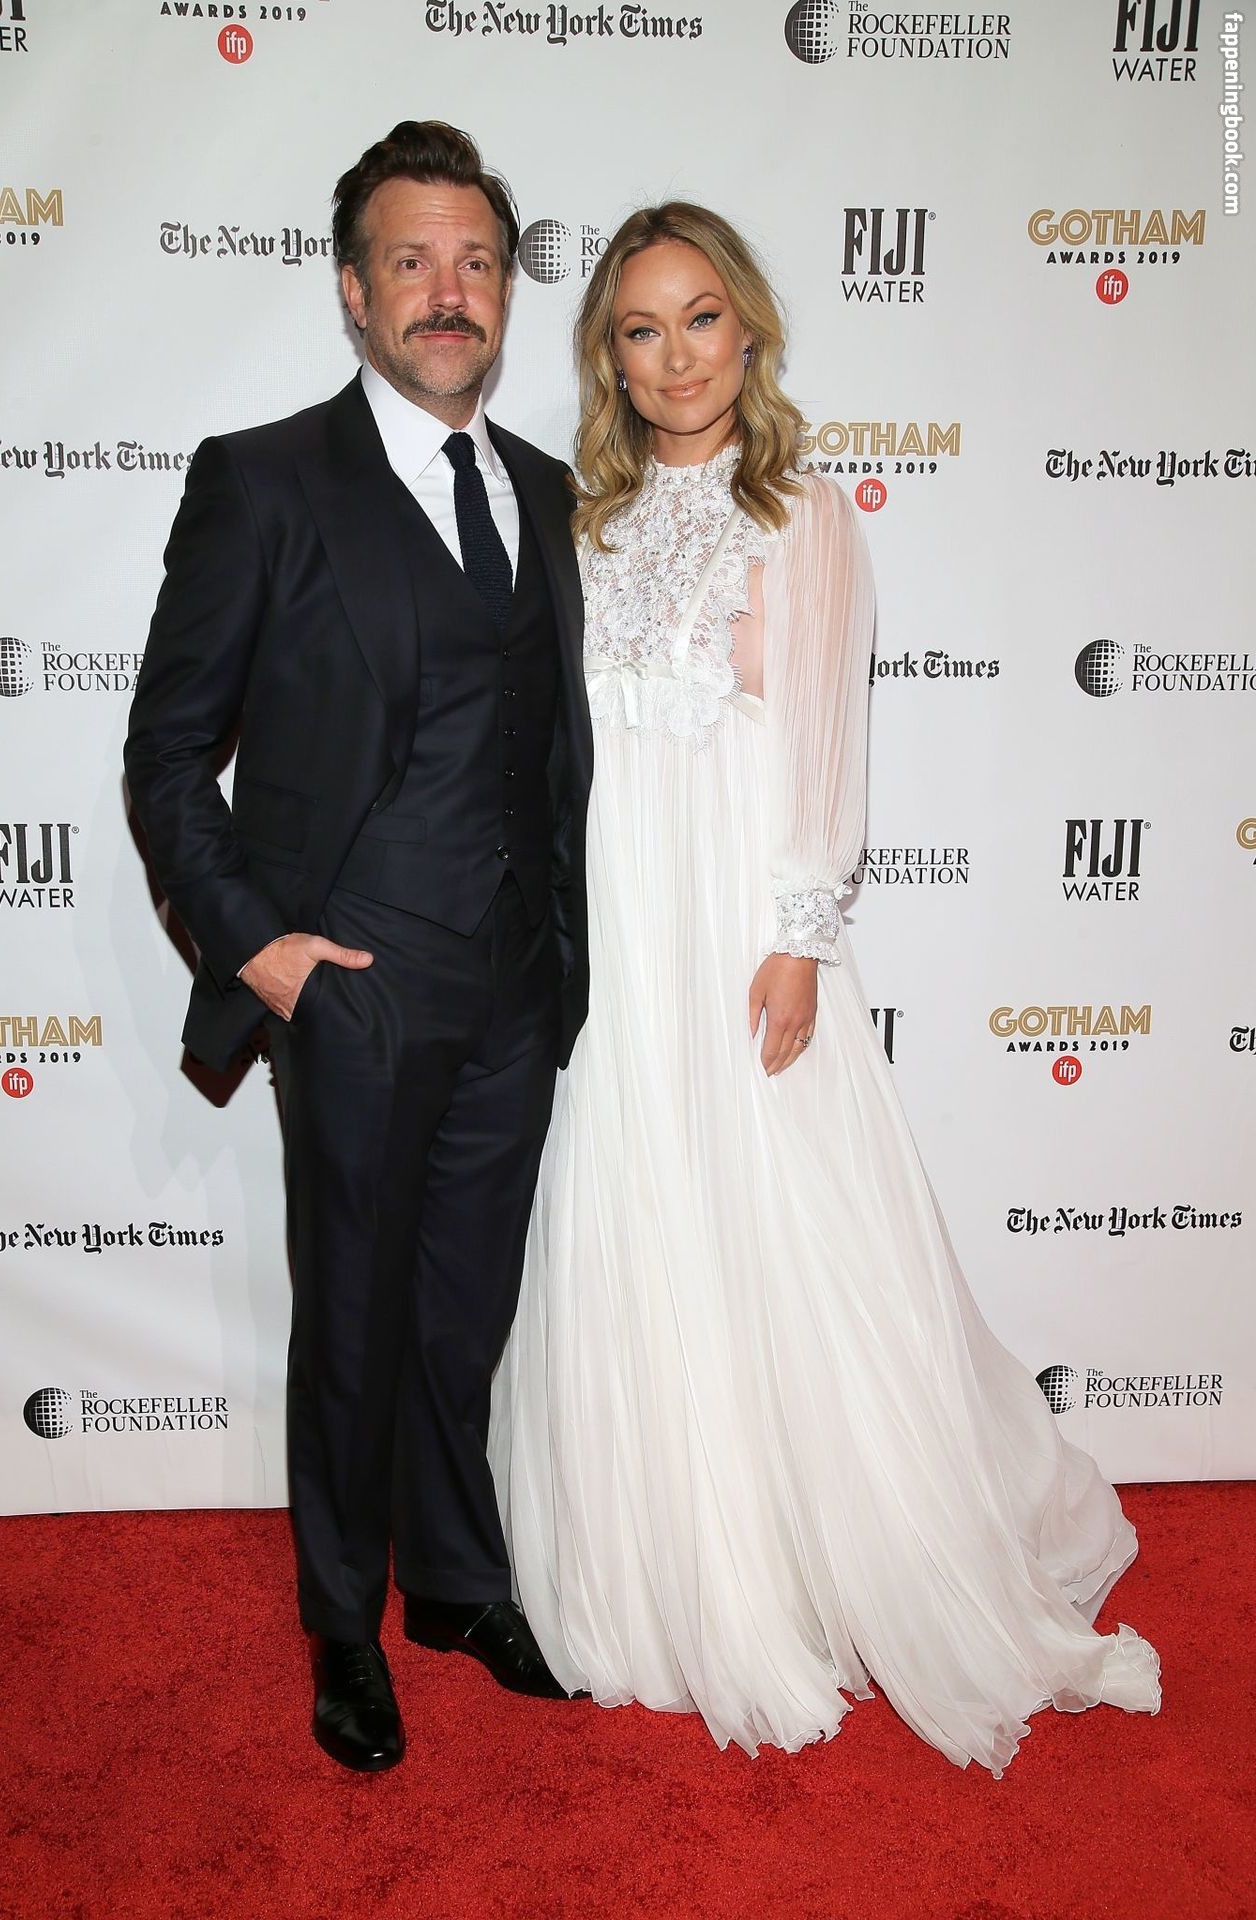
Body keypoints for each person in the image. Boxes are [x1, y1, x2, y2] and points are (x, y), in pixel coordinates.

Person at [489, 202, 1161, 1774]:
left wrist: (798, 935)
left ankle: (843, 1549)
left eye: (701, 319)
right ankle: (677, 1560)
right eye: (641, 330)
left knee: (789, 1216)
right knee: (645, 1206)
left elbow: (819, 744)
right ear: (609, 357)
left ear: (750, 330)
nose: (676, 357)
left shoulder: (800, 513)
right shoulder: (582, 522)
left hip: (741, 921)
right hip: (622, 926)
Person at [125, 122, 592, 1773]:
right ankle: (343, 1623)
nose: (447, 293)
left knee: (464, 1314)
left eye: (476, 262)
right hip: (355, 990)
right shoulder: (263, 480)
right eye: (411, 261)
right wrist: (261, 952)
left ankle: (455, 1585)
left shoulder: (547, 491)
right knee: (352, 1322)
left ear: (506, 290)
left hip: (515, 989)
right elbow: (166, 756)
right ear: (352, 288)